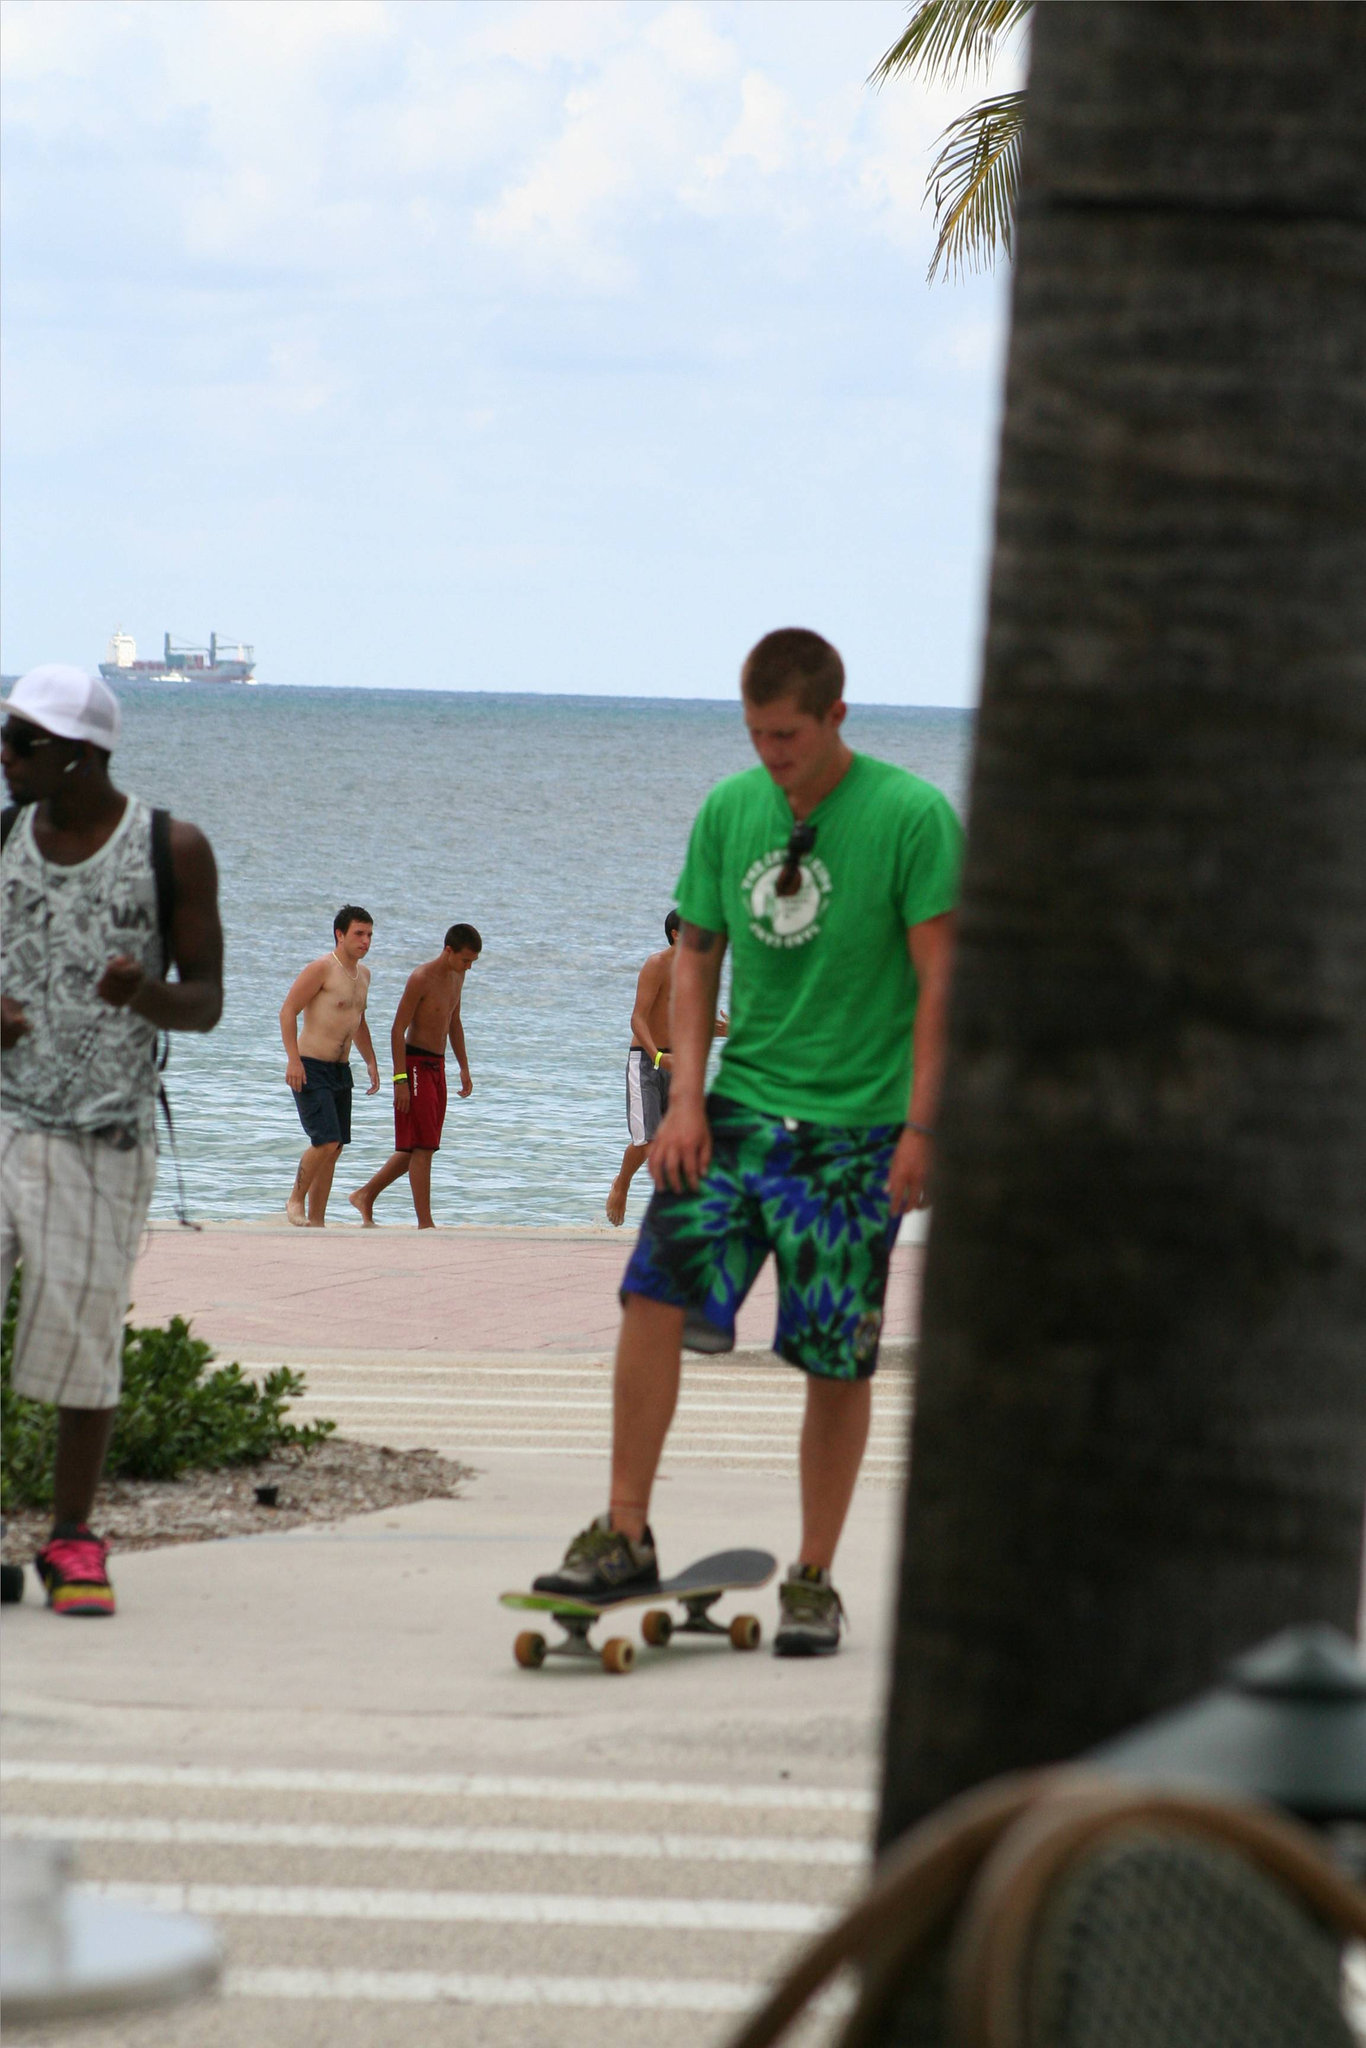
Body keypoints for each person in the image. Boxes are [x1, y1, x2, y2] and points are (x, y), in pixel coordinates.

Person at [535, 628, 961, 1655]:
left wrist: (923, 1126)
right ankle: (625, 1527)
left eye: (788, 735)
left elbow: (944, 979)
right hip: (737, 1109)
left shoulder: (910, 816)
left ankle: (812, 1575)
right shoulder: (730, 811)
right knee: (650, 1290)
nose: (772, 754)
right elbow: (695, 956)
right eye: (756, 734)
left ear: (835, 719)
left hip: (857, 1132)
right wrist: (684, 1097)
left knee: (834, 1355)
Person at [0, 664, 224, 1617]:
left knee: (83, 1342)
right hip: (4, 1116)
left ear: (78, 757)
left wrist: (148, 995)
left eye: (21, 743)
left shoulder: (171, 848)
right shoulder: (4, 837)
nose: (5, 758)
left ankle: (71, 1539)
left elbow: (208, 1003)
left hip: (104, 1134)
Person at [349, 923, 482, 1229]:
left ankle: (365, 1195)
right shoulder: (421, 977)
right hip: (415, 1064)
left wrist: (463, 1066)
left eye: (472, 962)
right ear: (448, 951)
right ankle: (425, 1224)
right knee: (422, 1148)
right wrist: (400, 1080)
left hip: (438, 1065)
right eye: (465, 960)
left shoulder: (458, 976)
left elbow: (454, 1021)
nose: (469, 967)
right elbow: (397, 1030)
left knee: (422, 1144)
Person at [606, 911, 728, 1227]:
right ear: (676, 934)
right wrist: (659, 1057)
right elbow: (638, 1018)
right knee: (646, 1141)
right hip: (646, 1060)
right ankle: (622, 1183)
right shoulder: (656, 965)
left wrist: (724, 1030)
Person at [279, 907, 380, 1227]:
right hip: (311, 1065)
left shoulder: (363, 975)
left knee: (334, 1147)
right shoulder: (321, 968)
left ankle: (317, 1221)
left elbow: (358, 1020)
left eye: (369, 935)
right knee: (325, 1140)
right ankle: (295, 1200)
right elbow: (288, 1011)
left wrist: (371, 1060)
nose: (365, 941)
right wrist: (293, 1059)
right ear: (340, 934)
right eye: (359, 934)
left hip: (340, 1070)